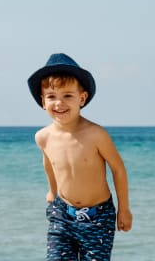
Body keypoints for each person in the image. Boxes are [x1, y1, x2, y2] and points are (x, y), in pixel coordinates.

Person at [28, 53, 133, 261]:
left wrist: (124, 209)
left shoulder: (96, 134)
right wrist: (52, 190)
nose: (59, 103)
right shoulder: (43, 137)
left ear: (82, 98)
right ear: (42, 101)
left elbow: (118, 168)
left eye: (68, 95)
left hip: (98, 217)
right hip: (62, 214)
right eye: (51, 96)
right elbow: (49, 163)